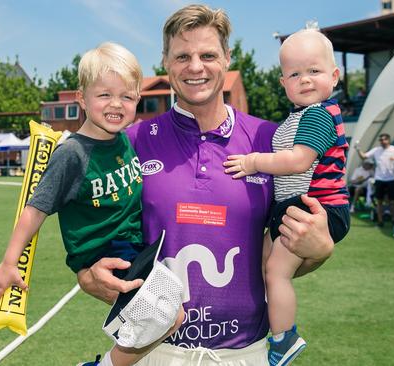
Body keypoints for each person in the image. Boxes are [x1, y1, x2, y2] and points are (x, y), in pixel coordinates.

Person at [76, 5, 336, 366]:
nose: (195, 67)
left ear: (227, 59)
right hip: (153, 351)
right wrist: (87, 273)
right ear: (166, 62)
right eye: (183, 55)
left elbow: (287, 252)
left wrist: (319, 249)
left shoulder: (271, 140)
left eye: (208, 55)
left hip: (247, 353)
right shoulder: (131, 143)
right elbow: (90, 227)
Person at [0, 43, 182, 366]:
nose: (116, 105)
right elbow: (35, 208)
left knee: (172, 304)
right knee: (170, 315)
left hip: (134, 244)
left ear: (138, 99)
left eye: (126, 96)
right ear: (82, 98)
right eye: (104, 95)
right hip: (105, 250)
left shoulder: (123, 140)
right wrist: (9, 262)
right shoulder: (73, 154)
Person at [223, 28, 350, 365]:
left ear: (334, 76)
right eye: (295, 74)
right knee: (259, 263)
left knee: (276, 271)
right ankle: (263, 322)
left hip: (315, 209)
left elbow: (298, 160)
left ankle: (284, 338)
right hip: (297, 207)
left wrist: (252, 162)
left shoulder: (319, 115)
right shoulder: (301, 116)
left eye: (314, 71)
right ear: (283, 83)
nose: (305, 80)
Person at [356, 133, 394, 227]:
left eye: (384, 139)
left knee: (392, 201)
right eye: (381, 140)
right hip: (379, 179)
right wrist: (357, 149)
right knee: (379, 201)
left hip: (392, 179)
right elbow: (364, 157)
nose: (382, 141)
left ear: (389, 140)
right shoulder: (376, 150)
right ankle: (380, 221)